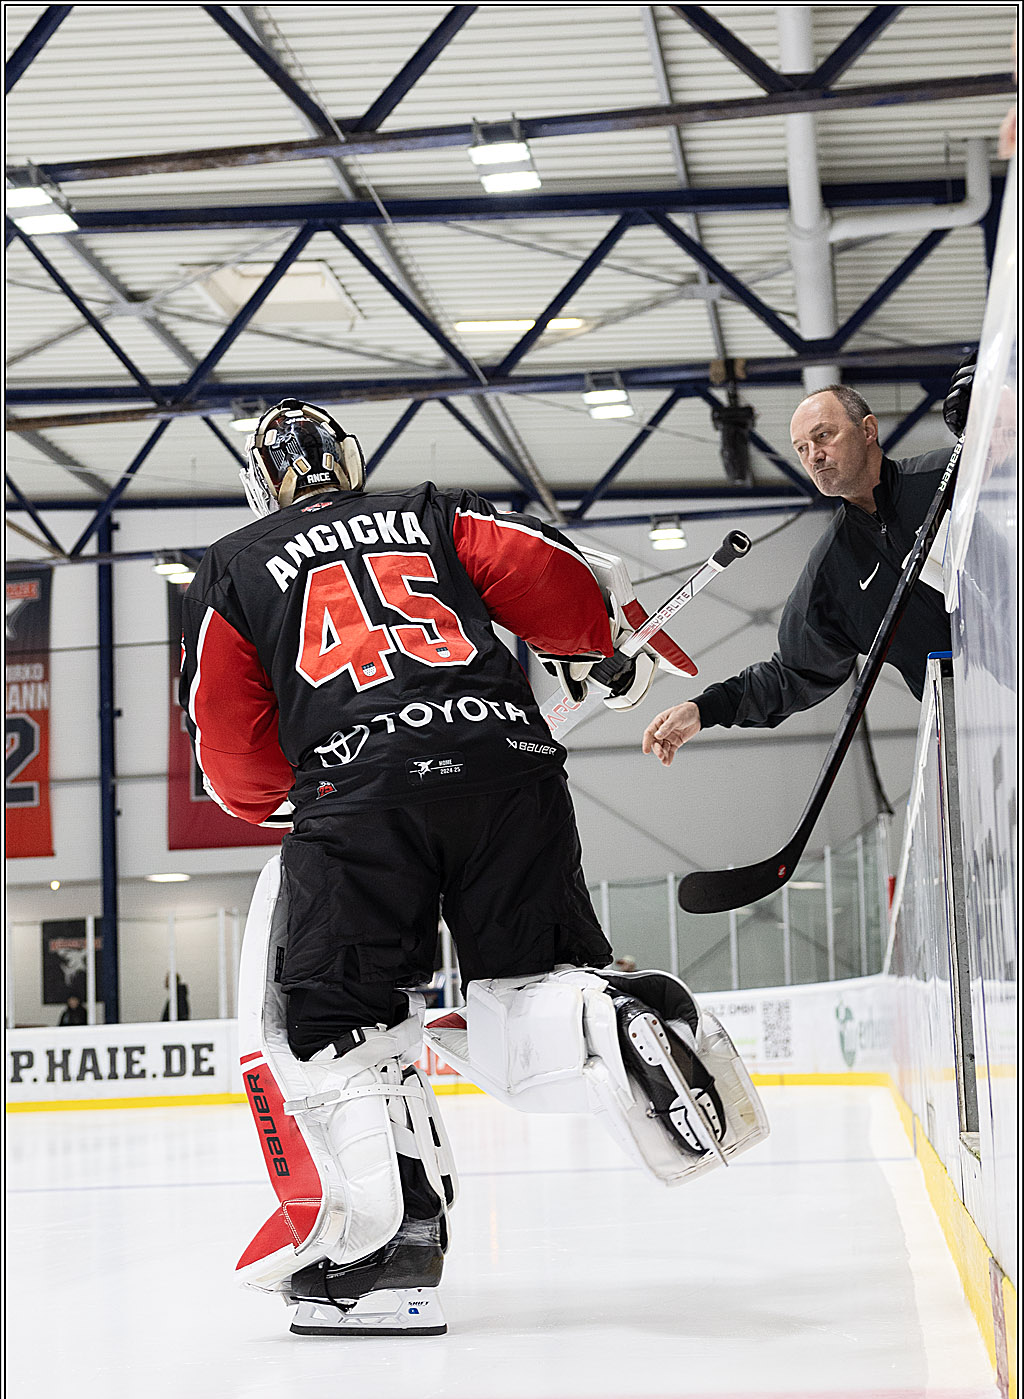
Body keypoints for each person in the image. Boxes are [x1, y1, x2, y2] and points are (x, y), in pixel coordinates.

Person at [180, 399, 766, 1338]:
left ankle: (384, 1256)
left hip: (360, 799)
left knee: (337, 1028)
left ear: (262, 482)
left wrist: (287, 802)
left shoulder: (236, 566)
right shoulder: (433, 514)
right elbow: (564, 582)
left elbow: (232, 755)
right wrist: (600, 654)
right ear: (351, 459)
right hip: (510, 774)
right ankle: (607, 1014)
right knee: (533, 981)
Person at [643, 379, 967, 767]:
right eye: (802, 448)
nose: (814, 455)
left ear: (868, 430)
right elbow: (792, 674)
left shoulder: (950, 477)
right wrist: (705, 709)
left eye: (824, 435)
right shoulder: (832, 570)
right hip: (972, 720)